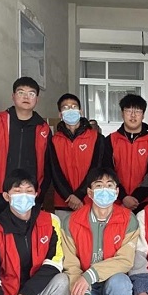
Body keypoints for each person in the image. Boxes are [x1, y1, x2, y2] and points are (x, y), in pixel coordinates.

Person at [62, 167, 139, 295]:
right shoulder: (71, 221)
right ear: (89, 192)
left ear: (117, 192)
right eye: (99, 185)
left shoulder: (128, 219)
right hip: (86, 284)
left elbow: (125, 260)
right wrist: (84, 293)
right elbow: (71, 264)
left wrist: (90, 274)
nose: (105, 190)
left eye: (109, 185)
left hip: (112, 282)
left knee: (121, 282)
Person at [0, 77, 51, 222]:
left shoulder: (43, 128)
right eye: (21, 92)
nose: (26, 97)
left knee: (28, 232)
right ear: (13, 96)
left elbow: (48, 166)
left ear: (37, 99)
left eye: (31, 93)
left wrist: (40, 194)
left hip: (29, 195)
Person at [103, 94, 148, 213]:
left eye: (138, 111)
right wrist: (123, 197)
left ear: (143, 115)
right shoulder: (110, 140)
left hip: (143, 203)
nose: (133, 115)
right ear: (122, 113)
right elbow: (107, 171)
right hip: (115, 201)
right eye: (129, 110)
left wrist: (136, 198)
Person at [50, 93, 104, 221]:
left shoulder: (96, 138)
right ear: (60, 114)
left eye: (74, 107)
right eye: (65, 107)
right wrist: (69, 196)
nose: (70, 110)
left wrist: (79, 195)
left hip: (89, 201)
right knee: (64, 234)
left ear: (80, 111)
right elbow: (54, 171)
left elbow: (97, 168)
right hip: (63, 202)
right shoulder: (54, 140)